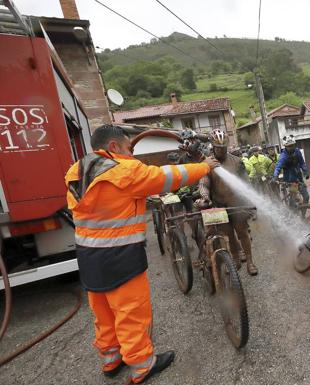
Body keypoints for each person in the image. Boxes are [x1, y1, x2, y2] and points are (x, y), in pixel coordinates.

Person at [65, 124, 219, 384]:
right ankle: (142, 365)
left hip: (88, 256)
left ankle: (111, 360)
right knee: (130, 312)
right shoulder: (123, 171)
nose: (131, 154)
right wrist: (205, 166)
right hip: (120, 254)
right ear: (113, 147)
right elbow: (167, 177)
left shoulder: (77, 170)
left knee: (103, 312)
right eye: (128, 148)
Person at [195, 129, 258, 275]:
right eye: (218, 148)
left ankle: (250, 261)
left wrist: (249, 198)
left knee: (242, 233)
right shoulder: (208, 163)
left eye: (223, 147)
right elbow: (204, 183)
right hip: (219, 205)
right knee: (228, 234)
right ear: (212, 146)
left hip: (237, 203)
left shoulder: (236, 161)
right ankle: (235, 260)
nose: (221, 150)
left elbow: (245, 182)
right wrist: (205, 197)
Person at [272, 135, 309, 204]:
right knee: (295, 200)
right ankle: (292, 212)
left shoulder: (297, 152)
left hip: (299, 179)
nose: (291, 147)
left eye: (292, 145)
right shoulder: (283, 156)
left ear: (294, 144)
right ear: (285, 146)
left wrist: (305, 171)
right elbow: (278, 167)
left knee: (306, 197)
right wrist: (275, 176)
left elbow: (302, 163)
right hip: (290, 181)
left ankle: (303, 214)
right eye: (289, 146)